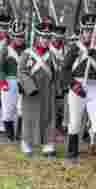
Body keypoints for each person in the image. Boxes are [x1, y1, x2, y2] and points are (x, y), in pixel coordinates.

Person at [64, 13, 96, 162]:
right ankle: (72, 153)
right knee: (75, 122)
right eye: (87, 31)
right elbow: (64, 70)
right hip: (77, 87)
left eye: (93, 31)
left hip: (94, 87)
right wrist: (73, 85)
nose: (90, 34)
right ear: (82, 31)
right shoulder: (74, 48)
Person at [18, 20, 57, 156]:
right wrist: (29, 87)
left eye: (48, 38)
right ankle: (26, 142)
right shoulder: (27, 54)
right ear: (37, 37)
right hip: (32, 91)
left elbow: (56, 72)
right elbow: (22, 72)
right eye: (43, 37)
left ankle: (48, 143)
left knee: (48, 117)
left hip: (48, 91)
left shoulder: (52, 55)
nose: (46, 40)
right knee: (29, 117)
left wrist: (57, 89)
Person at [0, 22, 25, 142]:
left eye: (21, 36)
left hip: (24, 82)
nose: (19, 39)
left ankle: (20, 135)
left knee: (22, 109)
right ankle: (9, 136)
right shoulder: (6, 49)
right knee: (8, 109)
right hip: (10, 82)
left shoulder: (28, 50)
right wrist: (3, 82)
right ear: (12, 36)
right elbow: (0, 68)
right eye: (17, 36)